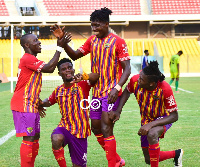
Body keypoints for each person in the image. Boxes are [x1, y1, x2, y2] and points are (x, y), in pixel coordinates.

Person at [50, 7, 131, 167]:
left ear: (106, 24)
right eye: (92, 25)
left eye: (97, 25)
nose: (94, 28)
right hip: (97, 94)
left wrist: (117, 87)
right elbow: (74, 55)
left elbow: (127, 68)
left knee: (106, 128)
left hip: (111, 93)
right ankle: (117, 161)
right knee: (96, 128)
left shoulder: (118, 42)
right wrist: (64, 43)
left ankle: (113, 164)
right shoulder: (91, 41)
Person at [10, 33, 71, 167]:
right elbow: (49, 68)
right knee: (29, 137)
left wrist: (37, 102)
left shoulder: (30, 60)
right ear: (27, 45)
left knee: (35, 137)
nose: (39, 42)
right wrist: (59, 48)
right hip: (23, 104)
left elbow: (27, 85)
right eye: (35, 40)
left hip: (31, 104)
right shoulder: (27, 58)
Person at [109, 61, 183, 167]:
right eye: (140, 76)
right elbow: (127, 91)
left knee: (152, 133)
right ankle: (176, 154)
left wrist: (150, 124)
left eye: (141, 79)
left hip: (163, 118)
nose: (138, 79)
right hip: (146, 120)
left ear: (151, 83)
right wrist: (118, 110)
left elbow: (174, 116)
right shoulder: (135, 81)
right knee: (149, 159)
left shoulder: (165, 89)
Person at [39, 58, 99, 167]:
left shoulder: (82, 84)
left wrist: (84, 76)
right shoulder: (58, 90)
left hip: (81, 131)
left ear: (73, 70)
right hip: (65, 127)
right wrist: (39, 104)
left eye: (70, 68)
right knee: (56, 138)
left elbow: (96, 77)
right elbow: (48, 101)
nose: (68, 71)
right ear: (59, 73)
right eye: (64, 69)